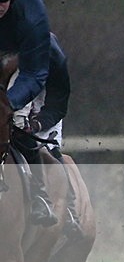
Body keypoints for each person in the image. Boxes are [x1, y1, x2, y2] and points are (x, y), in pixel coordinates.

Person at [0, 0, 57, 226]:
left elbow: (35, 72)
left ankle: (39, 196)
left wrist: (7, 104)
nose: (1, 4)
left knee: (17, 128)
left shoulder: (31, 10)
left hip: (18, 70)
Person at [22, 32, 82, 236]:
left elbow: (57, 101)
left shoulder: (46, 45)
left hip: (42, 113)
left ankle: (68, 210)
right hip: (9, 110)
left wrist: (38, 123)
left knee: (49, 154)